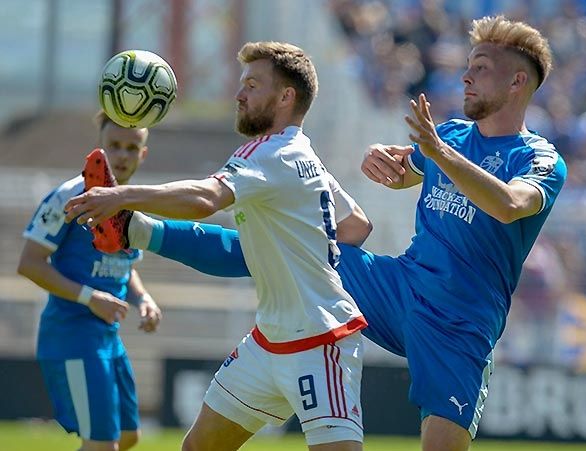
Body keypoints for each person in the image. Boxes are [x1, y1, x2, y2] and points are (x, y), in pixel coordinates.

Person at [73, 15, 567, 451]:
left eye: (481, 67)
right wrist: (392, 163)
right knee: (292, 246)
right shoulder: (454, 136)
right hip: (400, 287)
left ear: (518, 81)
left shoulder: (538, 157)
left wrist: (436, 155)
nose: (466, 74)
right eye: (469, 63)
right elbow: (403, 177)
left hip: (460, 322)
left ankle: (137, 226)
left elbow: (508, 205)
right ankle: (138, 230)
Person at [66, 42, 373, 451]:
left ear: (286, 97)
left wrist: (122, 197)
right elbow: (356, 226)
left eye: (251, 84)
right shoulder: (303, 156)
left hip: (320, 342)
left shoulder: (268, 153)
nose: (238, 94)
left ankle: (133, 226)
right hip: (268, 341)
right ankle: (135, 229)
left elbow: (204, 200)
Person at [17, 111, 162, 451]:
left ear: (143, 153)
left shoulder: (132, 202)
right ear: (99, 147)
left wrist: (144, 299)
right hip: (72, 335)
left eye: (131, 147)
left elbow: (126, 264)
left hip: (107, 338)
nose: (122, 155)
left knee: (128, 437)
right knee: (101, 445)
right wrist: (89, 297)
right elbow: (29, 263)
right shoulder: (70, 196)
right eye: (114, 146)